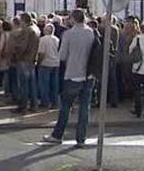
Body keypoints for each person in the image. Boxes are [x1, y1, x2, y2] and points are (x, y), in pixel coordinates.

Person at [43, 9, 96, 149]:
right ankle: (81, 138)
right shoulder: (91, 32)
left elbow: (63, 56)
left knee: (66, 106)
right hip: (89, 74)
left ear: (73, 19)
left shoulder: (69, 34)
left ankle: (57, 135)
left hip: (73, 73)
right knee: (85, 107)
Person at [11, 12, 40, 113]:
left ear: (23, 21)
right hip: (32, 59)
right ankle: (33, 105)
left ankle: (23, 106)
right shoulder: (36, 29)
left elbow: (23, 46)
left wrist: (16, 52)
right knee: (32, 84)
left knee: (23, 85)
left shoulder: (27, 30)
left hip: (24, 59)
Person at [37, 23, 60, 109]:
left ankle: (45, 102)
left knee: (44, 84)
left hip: (46, 63)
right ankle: (55, 102)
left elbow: (41, 53)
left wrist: (39, 62)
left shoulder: (43, 40)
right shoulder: (57, 39)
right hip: (56, 63)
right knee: (54, 84)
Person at [0, 21, 13, 97]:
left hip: (5, 55)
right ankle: (11, 90)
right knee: (10, 73)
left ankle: (6, 90)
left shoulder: (4, 35)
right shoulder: (13, 34)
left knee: (6, 73)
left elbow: (1, 45)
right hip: (12, 55)